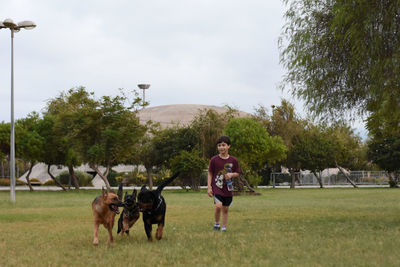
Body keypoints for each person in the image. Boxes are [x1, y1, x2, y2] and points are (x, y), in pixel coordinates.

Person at [207, 136, 241, 232]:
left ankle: (224, 227)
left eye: (223, 145)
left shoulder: (234, 160)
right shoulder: (214, 160)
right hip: (216, 187)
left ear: (228, 146)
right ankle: (217, 224)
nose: (221, 147)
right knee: (218, 206)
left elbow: (237, 173)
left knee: (225, 209)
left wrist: (231, 174)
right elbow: (210, 173)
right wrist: (209, 187)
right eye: (219, 145)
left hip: (228, 188)